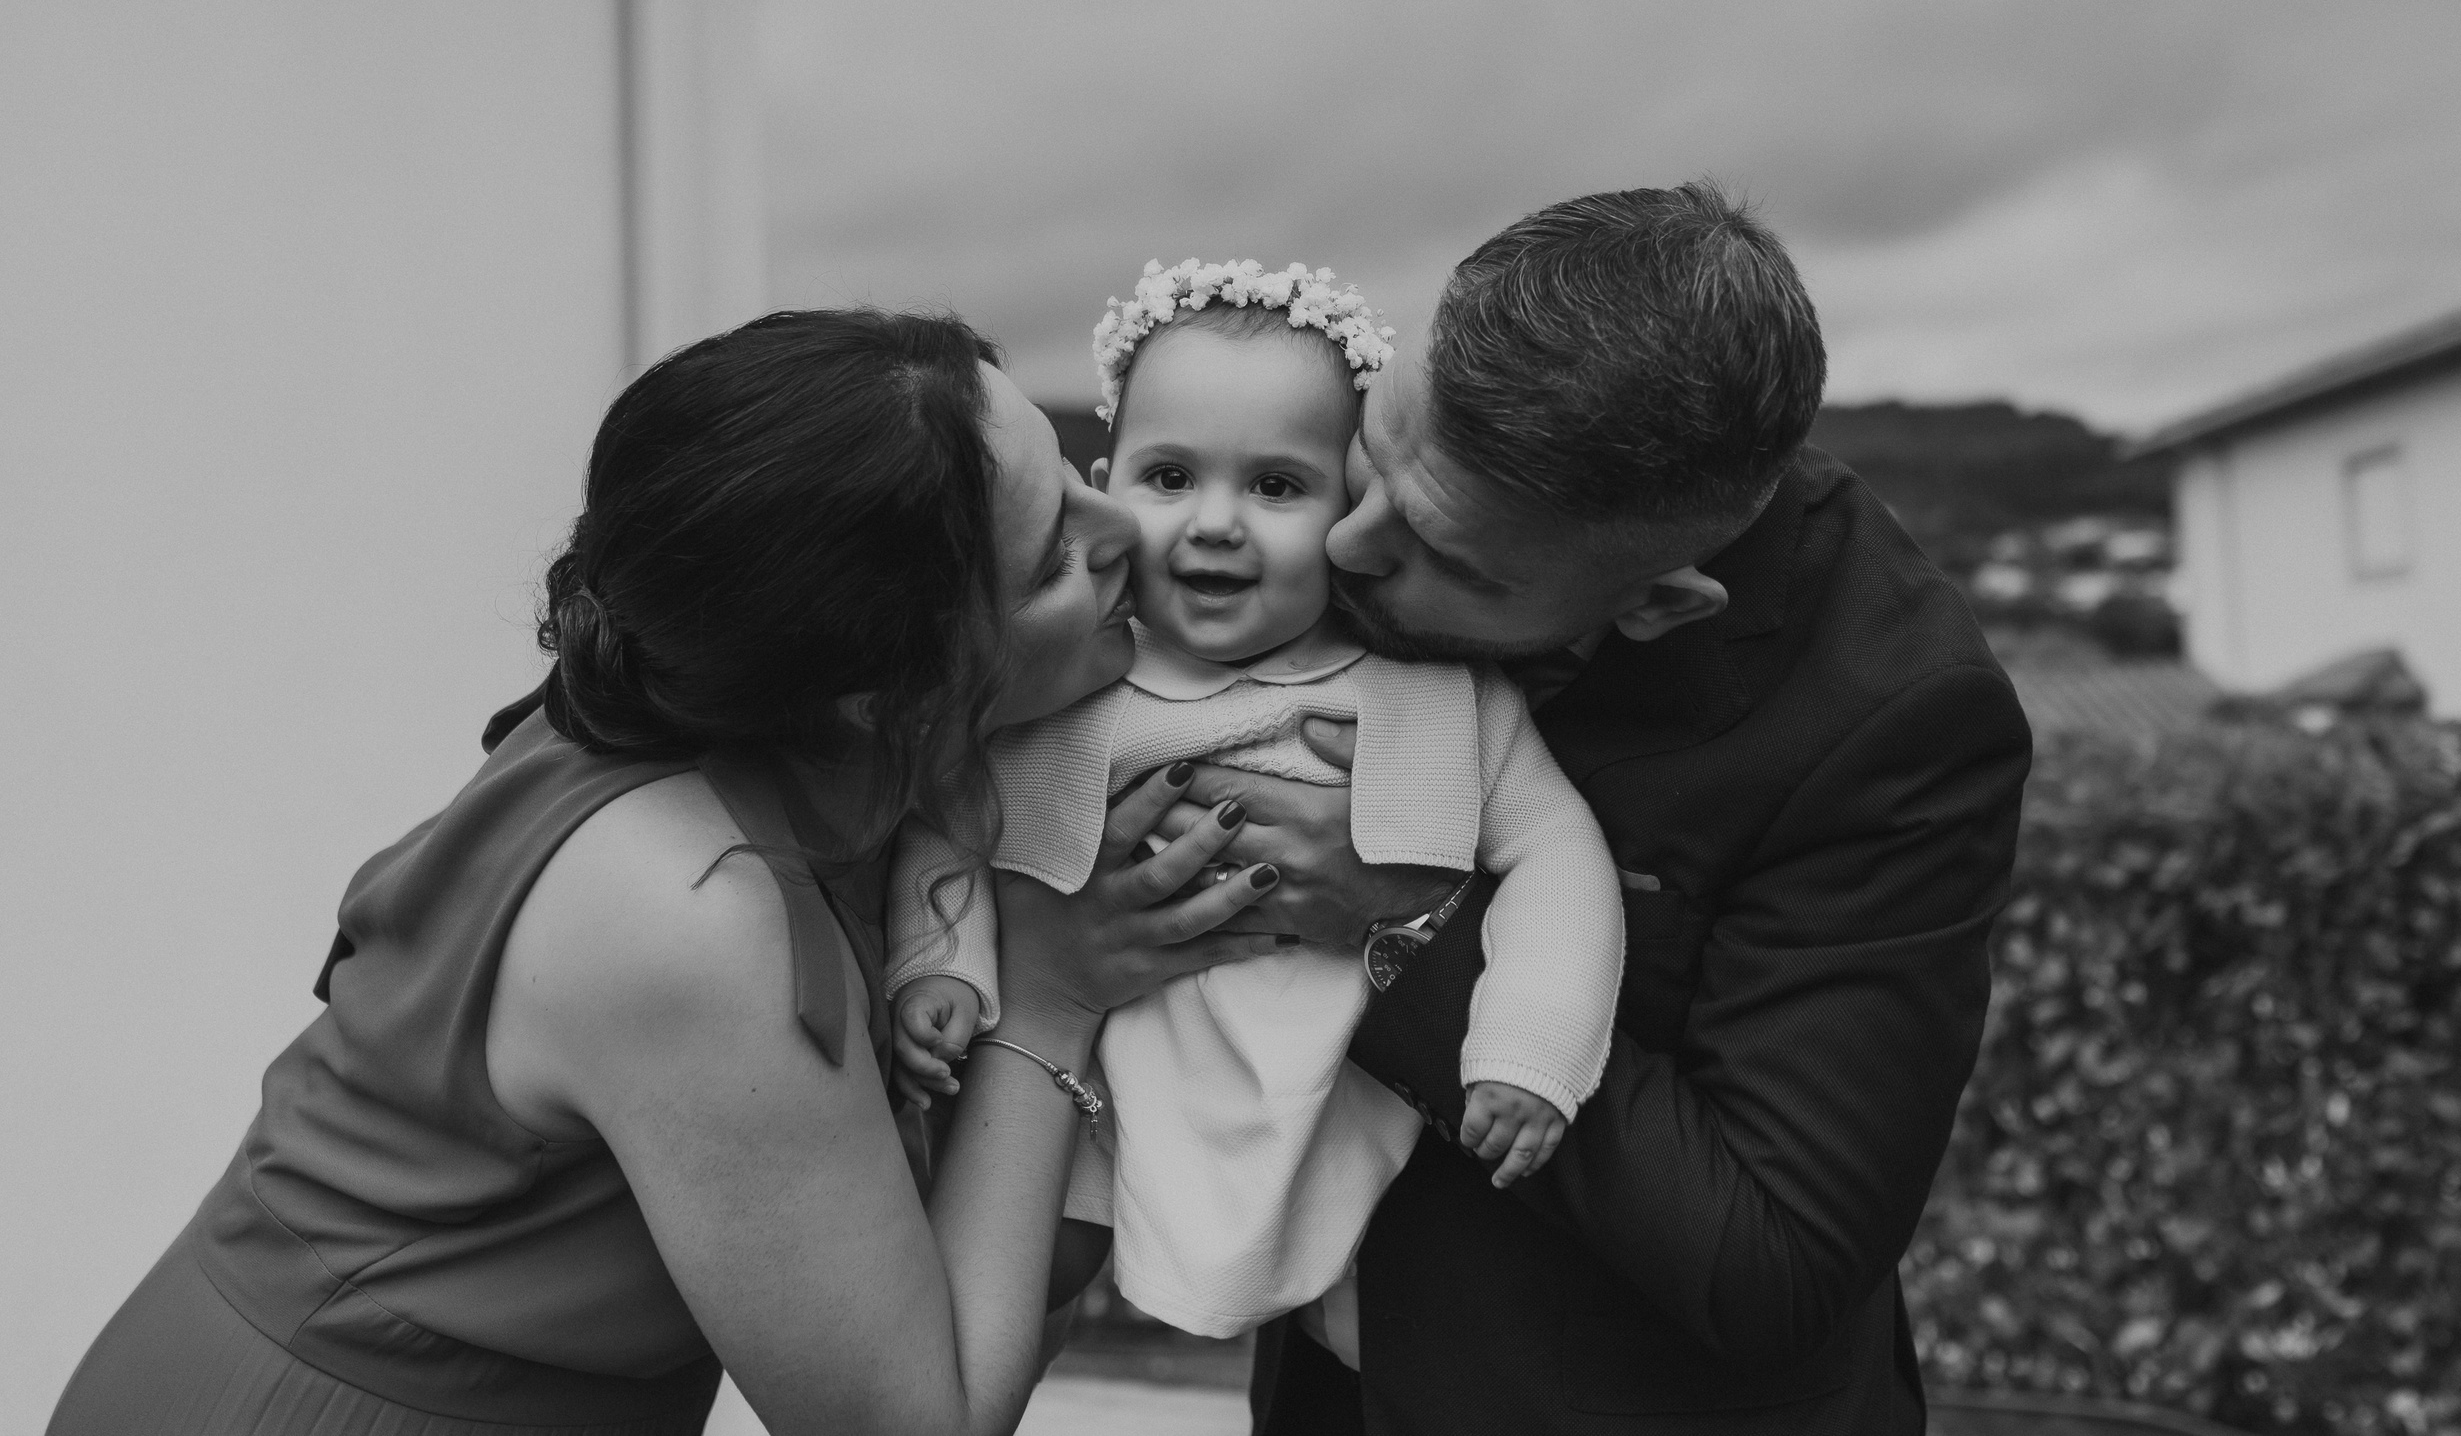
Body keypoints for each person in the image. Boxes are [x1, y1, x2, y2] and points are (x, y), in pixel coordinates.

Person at [47, 309, 1292, 1436]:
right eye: (1052, 561)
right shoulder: (689, 908)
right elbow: (923, 1420)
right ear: (880, 690)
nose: (1129, 523)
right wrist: (1062, 995)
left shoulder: (751, 706)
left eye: (1075, 470)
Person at [1173, 183, 2035, 1434]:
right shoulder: (1366, 526)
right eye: (1370, 457)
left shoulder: (1894, 719)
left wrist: (1394, 928)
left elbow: (1773, 1262)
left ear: (1660, 604)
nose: (1347, 549)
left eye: (1446, 557)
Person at [886, 261, 1623, 1343]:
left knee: (1434, 1334)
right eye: (1171, 475)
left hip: (1335, 1098)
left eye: (1276, 486)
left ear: (1351, 505)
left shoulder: (1417, 691)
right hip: (1105, 1090)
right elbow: (946, 822)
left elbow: (1558, 849)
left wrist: (1529, 1043)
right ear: (1106, 481)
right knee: (1015, 1271)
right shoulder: (1070, 678)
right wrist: (935, 960)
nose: (1217, 522)